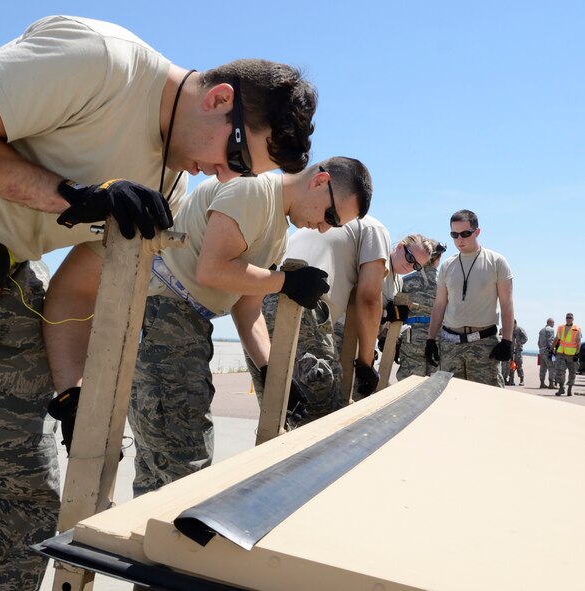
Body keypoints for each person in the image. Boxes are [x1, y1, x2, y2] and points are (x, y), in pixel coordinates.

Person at [0, 15, 319, 590]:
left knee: (17, 493)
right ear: (220, 99)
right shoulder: (102, 59)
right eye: (238, 159)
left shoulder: (167, 182)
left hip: (5, 271)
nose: (225, 175)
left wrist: (72, 390)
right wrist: (69, 196)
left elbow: (76, 287)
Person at [125, 157, 371, 496]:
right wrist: (285, 282)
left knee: (160, 464)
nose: (324, 227)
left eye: (335, 225)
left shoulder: (277, 231)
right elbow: (211, 269)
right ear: (319, 181)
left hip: (184, 320)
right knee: (185, 460)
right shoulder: (254, 189)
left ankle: (137, 541)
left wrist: (273, 373)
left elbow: (247, 307)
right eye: (330, 215)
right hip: (167, 314)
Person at [247, 219, 434, 423]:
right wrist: (365, 363)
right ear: (399, 246)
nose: (409, 265)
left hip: (262, 303)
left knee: (279, 413)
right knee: (321, 418)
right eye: (409, 257)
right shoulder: (375, 234)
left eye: (416, 265)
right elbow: (368, 300)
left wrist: (388, 320)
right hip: (308, 313)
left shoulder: (395, 280)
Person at [425, 210, 514, 387]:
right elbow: (439, 305)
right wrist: (430, 340)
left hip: (483, 345)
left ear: (477, 232)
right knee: (451, 401)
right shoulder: (447, 265)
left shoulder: (496, 261)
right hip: (450, 345)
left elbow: (507, 303)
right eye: (454, 234)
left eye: (465, 234)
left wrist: (507, 340)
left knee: (487, 401)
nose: (460, 239)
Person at [395, 242, 447, 380]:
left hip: (411, 337)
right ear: (438, 258)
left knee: (408, 385)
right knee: (435, 386)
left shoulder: (405, 281)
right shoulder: (446, 284)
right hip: (438, 338)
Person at [553, 312, 581, 396]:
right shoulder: (560, 327)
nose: (568, 319)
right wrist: (551, 348)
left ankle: (569, 389)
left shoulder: (577, 328)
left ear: (573, 319)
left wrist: (577, 354)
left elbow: (578, 342)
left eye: (570, 317)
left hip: (572, 355)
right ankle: (561, 388)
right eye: (567, 317)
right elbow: (556, 339)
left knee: (572, 373)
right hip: (561, 353)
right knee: (559, 371)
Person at [504, 320, 528, 385]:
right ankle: (511, 380)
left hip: (518, 350)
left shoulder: (519, 329)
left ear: (515, 323)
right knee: (511, 365)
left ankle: (521, 380)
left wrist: (519, 343)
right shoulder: (509, 330)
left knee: (519, 364)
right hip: (511, 350)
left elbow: (525, 338)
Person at [538, 317, 557, 388]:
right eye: (553, 323)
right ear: (550, 322)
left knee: (543, 367)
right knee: (552, 367)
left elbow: (538, 342)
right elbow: (551, 341)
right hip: (547, 351)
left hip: (542, 351)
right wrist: (553, 350)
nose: (554, 324)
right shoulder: (551, 330)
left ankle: (542, 383)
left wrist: (541, 349)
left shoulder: (541, 330)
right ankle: (551, 384)